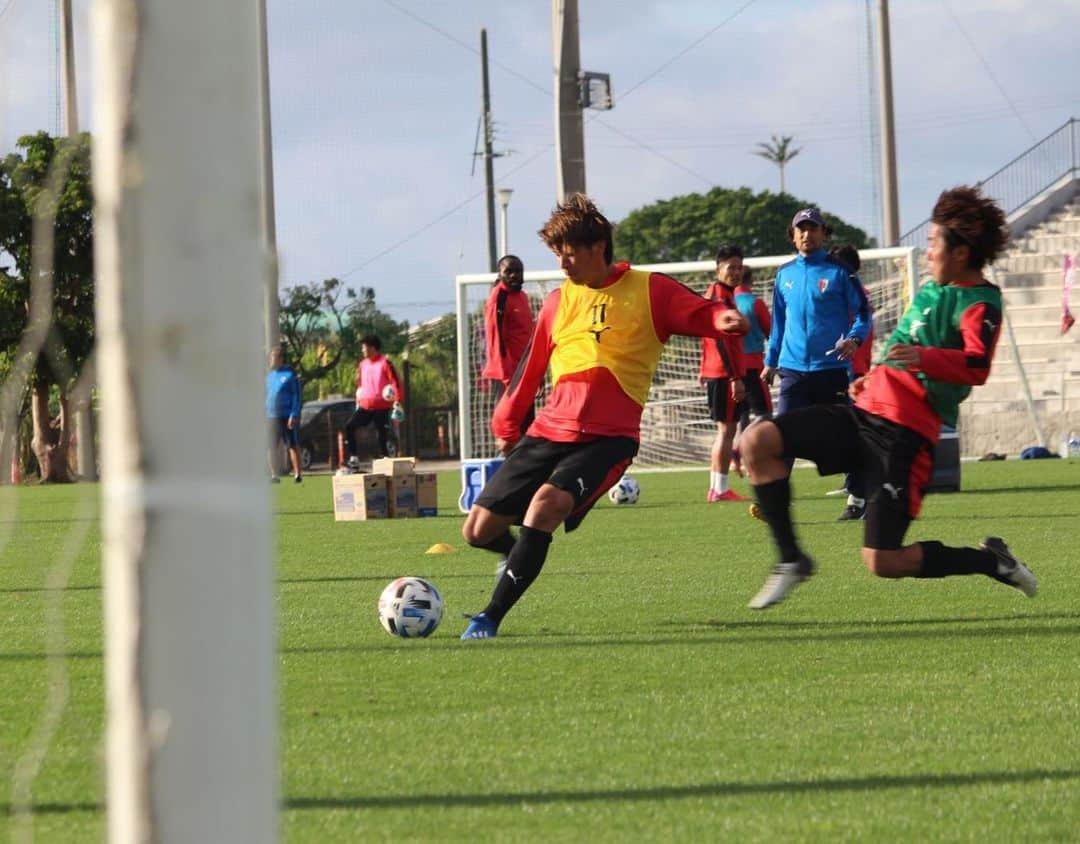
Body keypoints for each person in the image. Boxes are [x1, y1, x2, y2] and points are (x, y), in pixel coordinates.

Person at [459, 194, 748, 639]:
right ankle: (520, 558)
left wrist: (725, 319)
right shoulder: (558, 301)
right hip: (549, 431)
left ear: (598, 247)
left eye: (569, 253)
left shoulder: (649, 290)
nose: (562, 264)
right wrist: (507, 423)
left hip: (607, 439)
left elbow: (700, 310)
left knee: (546, 505)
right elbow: (529, 368)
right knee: (476, 530)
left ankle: (489, 617)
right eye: (557, 254)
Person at [741, 185, 1037, 610]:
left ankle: (991, 562)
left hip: (905, 438)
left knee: (883, 561)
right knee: (757, 440)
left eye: (934, 243)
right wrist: (872, 377)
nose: (928, 252)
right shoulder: (932, 291)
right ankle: (791, 560)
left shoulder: (980, 301)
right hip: (862, 414)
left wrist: (923, 358)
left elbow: (977, 366)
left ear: (961, 253)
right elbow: (900, 346)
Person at [761, 207, 871, 520]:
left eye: (813, 228)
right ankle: (775, 503)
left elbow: (863, 313)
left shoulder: (840, 272)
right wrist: (771, 362)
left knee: (843, 439)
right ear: (793, 236)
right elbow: (778, 324)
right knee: (781, 437)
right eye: (801, 229)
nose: (806, 234)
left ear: (824, 233)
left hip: (831, 371)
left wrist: (854, 339)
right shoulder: (784, 275)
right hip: (793, 371)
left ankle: (858, 499)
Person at [827, 243, 875, 518]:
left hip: (850, 373)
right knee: (848, 436)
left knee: (853, 436)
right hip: (850, 372)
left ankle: (861, 498)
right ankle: (858, 494)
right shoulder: (855, 295)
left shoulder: (851, 298)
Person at [699, 244, 749, 502]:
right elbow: (719, 339)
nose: (736, 272)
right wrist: (734, 377)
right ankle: (719, 489)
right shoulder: (719, 296)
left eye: (740, 267)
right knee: (726, 431)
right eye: (731, 267)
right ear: (718, 269)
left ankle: (717, 487)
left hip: (717, 372)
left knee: (726, 430)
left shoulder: (722, 294)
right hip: (723, 374)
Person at [481, 254, 536, 433]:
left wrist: (535, 373)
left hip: (524, 373)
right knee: (510, 429)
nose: (514, 275)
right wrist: (507, 377)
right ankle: (507, 460)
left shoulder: (522, 296)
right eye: (508, 271)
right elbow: (495, 340)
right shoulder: (499, 298)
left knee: (527, 427)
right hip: (509, 375)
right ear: (500, 274)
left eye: (518, 271)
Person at [731, 263, 773, 477]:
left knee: (742, 416)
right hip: (754, 365)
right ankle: (749, 455)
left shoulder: (726, 302)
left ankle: (736, 456)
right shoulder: (755, 303)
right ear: (752, 281)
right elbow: (771, 332)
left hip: (731, 370)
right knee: (765, 414)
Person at [344, 335, 403, 467]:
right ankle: (354, 458)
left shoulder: (385, 362)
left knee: (381, 432)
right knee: (350, 426)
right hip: (365, 406)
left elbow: (396, 382)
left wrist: (397, 401)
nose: (362, 351)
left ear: (372, 348)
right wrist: (358, 401)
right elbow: (360, 384)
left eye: (364, 348)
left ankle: (386, 460)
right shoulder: (362, 365)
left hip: (381, 406)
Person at [266, 344, 302, 483]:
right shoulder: (269, 377)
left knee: (292, 445)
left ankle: (297, 474)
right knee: (270, 446)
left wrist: (294, 414)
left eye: (273, 357)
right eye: (270, 358)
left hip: (286, 415)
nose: (271, 360)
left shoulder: (290, 375)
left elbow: (296, 396)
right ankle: (274, 475)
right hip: (271, 416)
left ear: (280, 358)